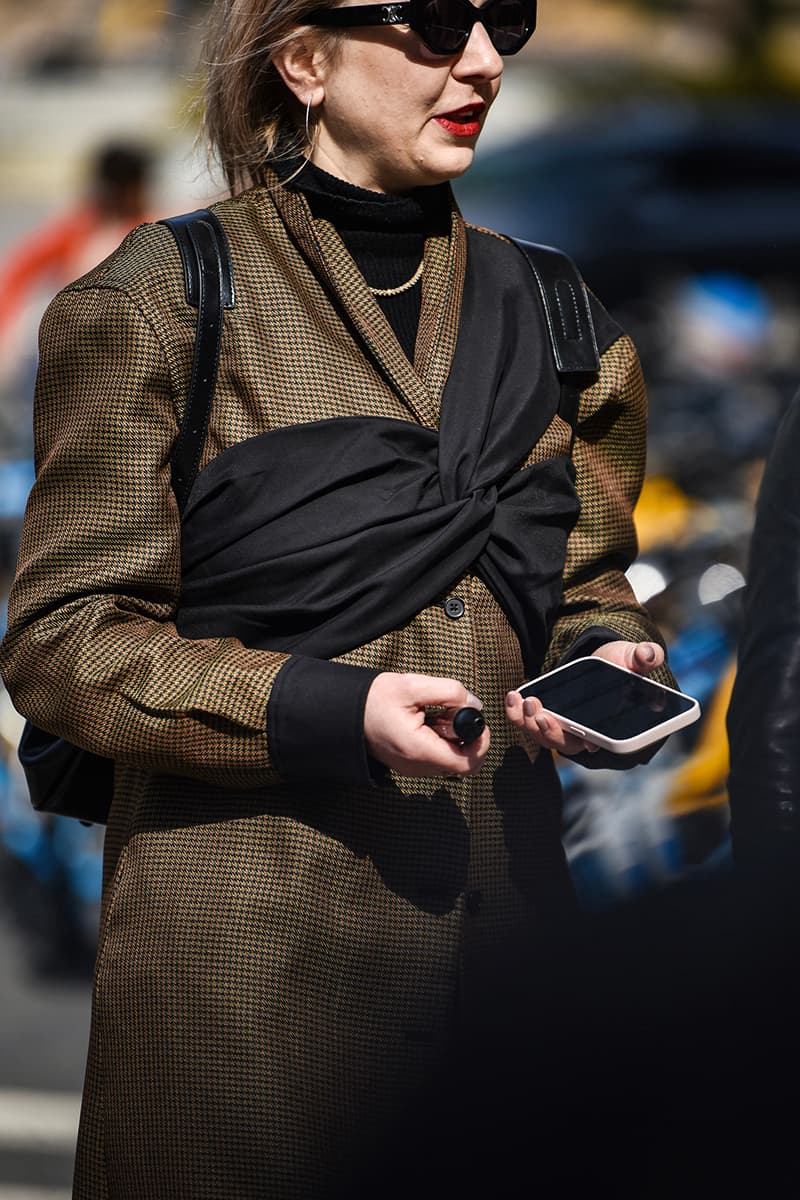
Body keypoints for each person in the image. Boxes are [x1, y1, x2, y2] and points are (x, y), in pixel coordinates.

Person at [0, 0, 673, 1195]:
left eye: (501, 21)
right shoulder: (160, 301)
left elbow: (578, 581)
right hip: (243, 988)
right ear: (302, 59)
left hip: (507, 968)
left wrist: (606, 654)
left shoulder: (565, 317)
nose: (479, 60)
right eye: (429, 23)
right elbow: (64, 641)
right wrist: (325, 711)